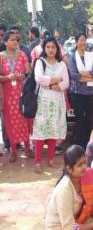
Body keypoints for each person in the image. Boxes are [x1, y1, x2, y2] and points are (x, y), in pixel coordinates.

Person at [33, 36, 69, 173]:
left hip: (58, 101)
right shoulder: (40, 62)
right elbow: (39, 78)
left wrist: (57, 85)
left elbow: (66, 83)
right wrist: (56, 79)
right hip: (44, 102)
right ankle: (37, 162)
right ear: (44, 48)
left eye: (53, 47)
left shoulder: (61, 64)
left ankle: (50, 159)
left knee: (54, 130)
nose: (50, 49)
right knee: (41, 131)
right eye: (48, 47)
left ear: (57, 49)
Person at [0, 30, 32, 162]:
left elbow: (28, 71)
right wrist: (8, 77)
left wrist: (22, 76)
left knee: (24, 121)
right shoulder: (1, 56)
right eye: (12, 40)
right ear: (5, 42)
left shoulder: (22, 55)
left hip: (21, 94)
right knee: (10, 123)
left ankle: (27, 148)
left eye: (17, 39)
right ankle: (13, 150)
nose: (15, 42)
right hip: (7, 96)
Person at [68, 33, 93, 148]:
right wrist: (88, 77)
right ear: (76, 42)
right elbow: (74, 75)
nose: (82, 42)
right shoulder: (72, 57)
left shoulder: (91, 56)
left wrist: (83, 75)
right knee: (79, 119)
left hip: (90, 93)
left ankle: (89, 144)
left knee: (89, 119)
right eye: (80, 40)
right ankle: (80, 144)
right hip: (77, 94)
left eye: (84, 40)